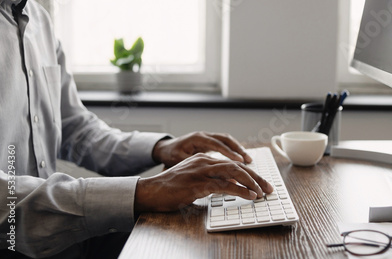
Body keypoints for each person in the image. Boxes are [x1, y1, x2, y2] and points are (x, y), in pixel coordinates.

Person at [0, 0, 273, 258]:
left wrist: (160, 148)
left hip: (63, 240)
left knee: (198, 240)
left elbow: (76, 129)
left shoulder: (39, 20)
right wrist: (144, 191)